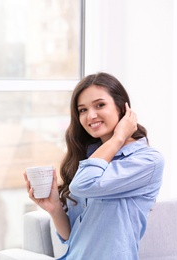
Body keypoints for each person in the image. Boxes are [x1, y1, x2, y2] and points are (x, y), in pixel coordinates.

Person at [24, 72, 164, 260]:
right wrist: (54, 207)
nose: (91, 115)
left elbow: (83, 185)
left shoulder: (148, 161)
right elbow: (72, 237)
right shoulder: (90, 157)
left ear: (122, 108)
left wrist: (119, 137)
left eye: (100, 105)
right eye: (82, 110)